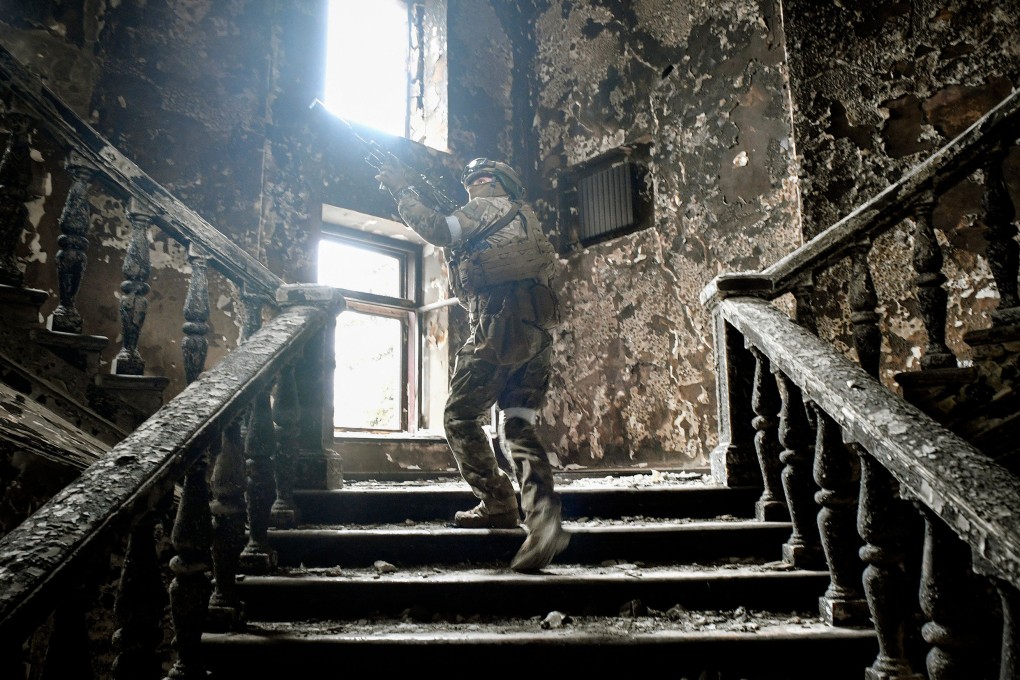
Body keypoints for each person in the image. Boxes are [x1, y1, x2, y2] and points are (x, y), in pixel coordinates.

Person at [375, 157, 569, 572]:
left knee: (460, 416)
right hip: (535, 334)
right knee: (517, 424)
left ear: (502, 184)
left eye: (486, 178)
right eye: (474, 180)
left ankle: (498, 499)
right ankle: (543, 520)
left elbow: (440, 230)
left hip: (500, 330)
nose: (478, 184)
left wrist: (402, 190)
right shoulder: (526, 218)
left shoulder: (486, 209)